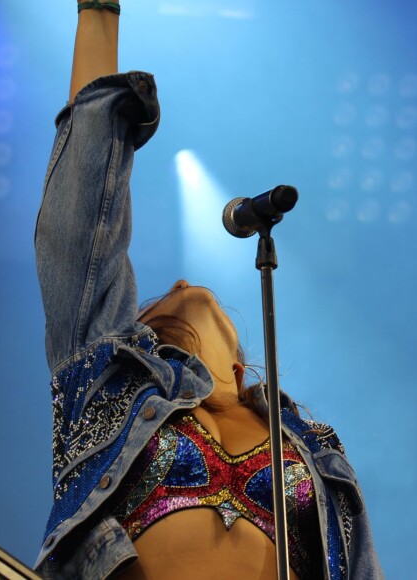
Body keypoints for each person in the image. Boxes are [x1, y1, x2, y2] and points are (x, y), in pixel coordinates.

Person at [34, 2, 383, 578]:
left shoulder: (310, 442)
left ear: (243, 361)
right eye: (165, 294)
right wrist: (99, 15)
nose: (180, 282)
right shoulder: (113, 382)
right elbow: (78, 226)